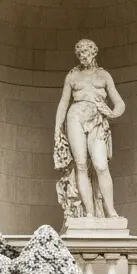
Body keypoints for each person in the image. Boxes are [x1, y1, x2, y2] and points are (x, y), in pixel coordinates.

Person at [53, 38, 125, 222]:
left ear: (94, 52)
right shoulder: (72, 76)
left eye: (85, 52)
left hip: (97, 121)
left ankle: (111, 211)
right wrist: (57, 128)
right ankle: (89, 213)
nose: (82, 56)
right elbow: (63, 103)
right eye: (79, 53)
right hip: (75, 118)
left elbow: (119, 103)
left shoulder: (104, 76)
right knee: (81, 165)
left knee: (101, 165)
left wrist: (112, 113)